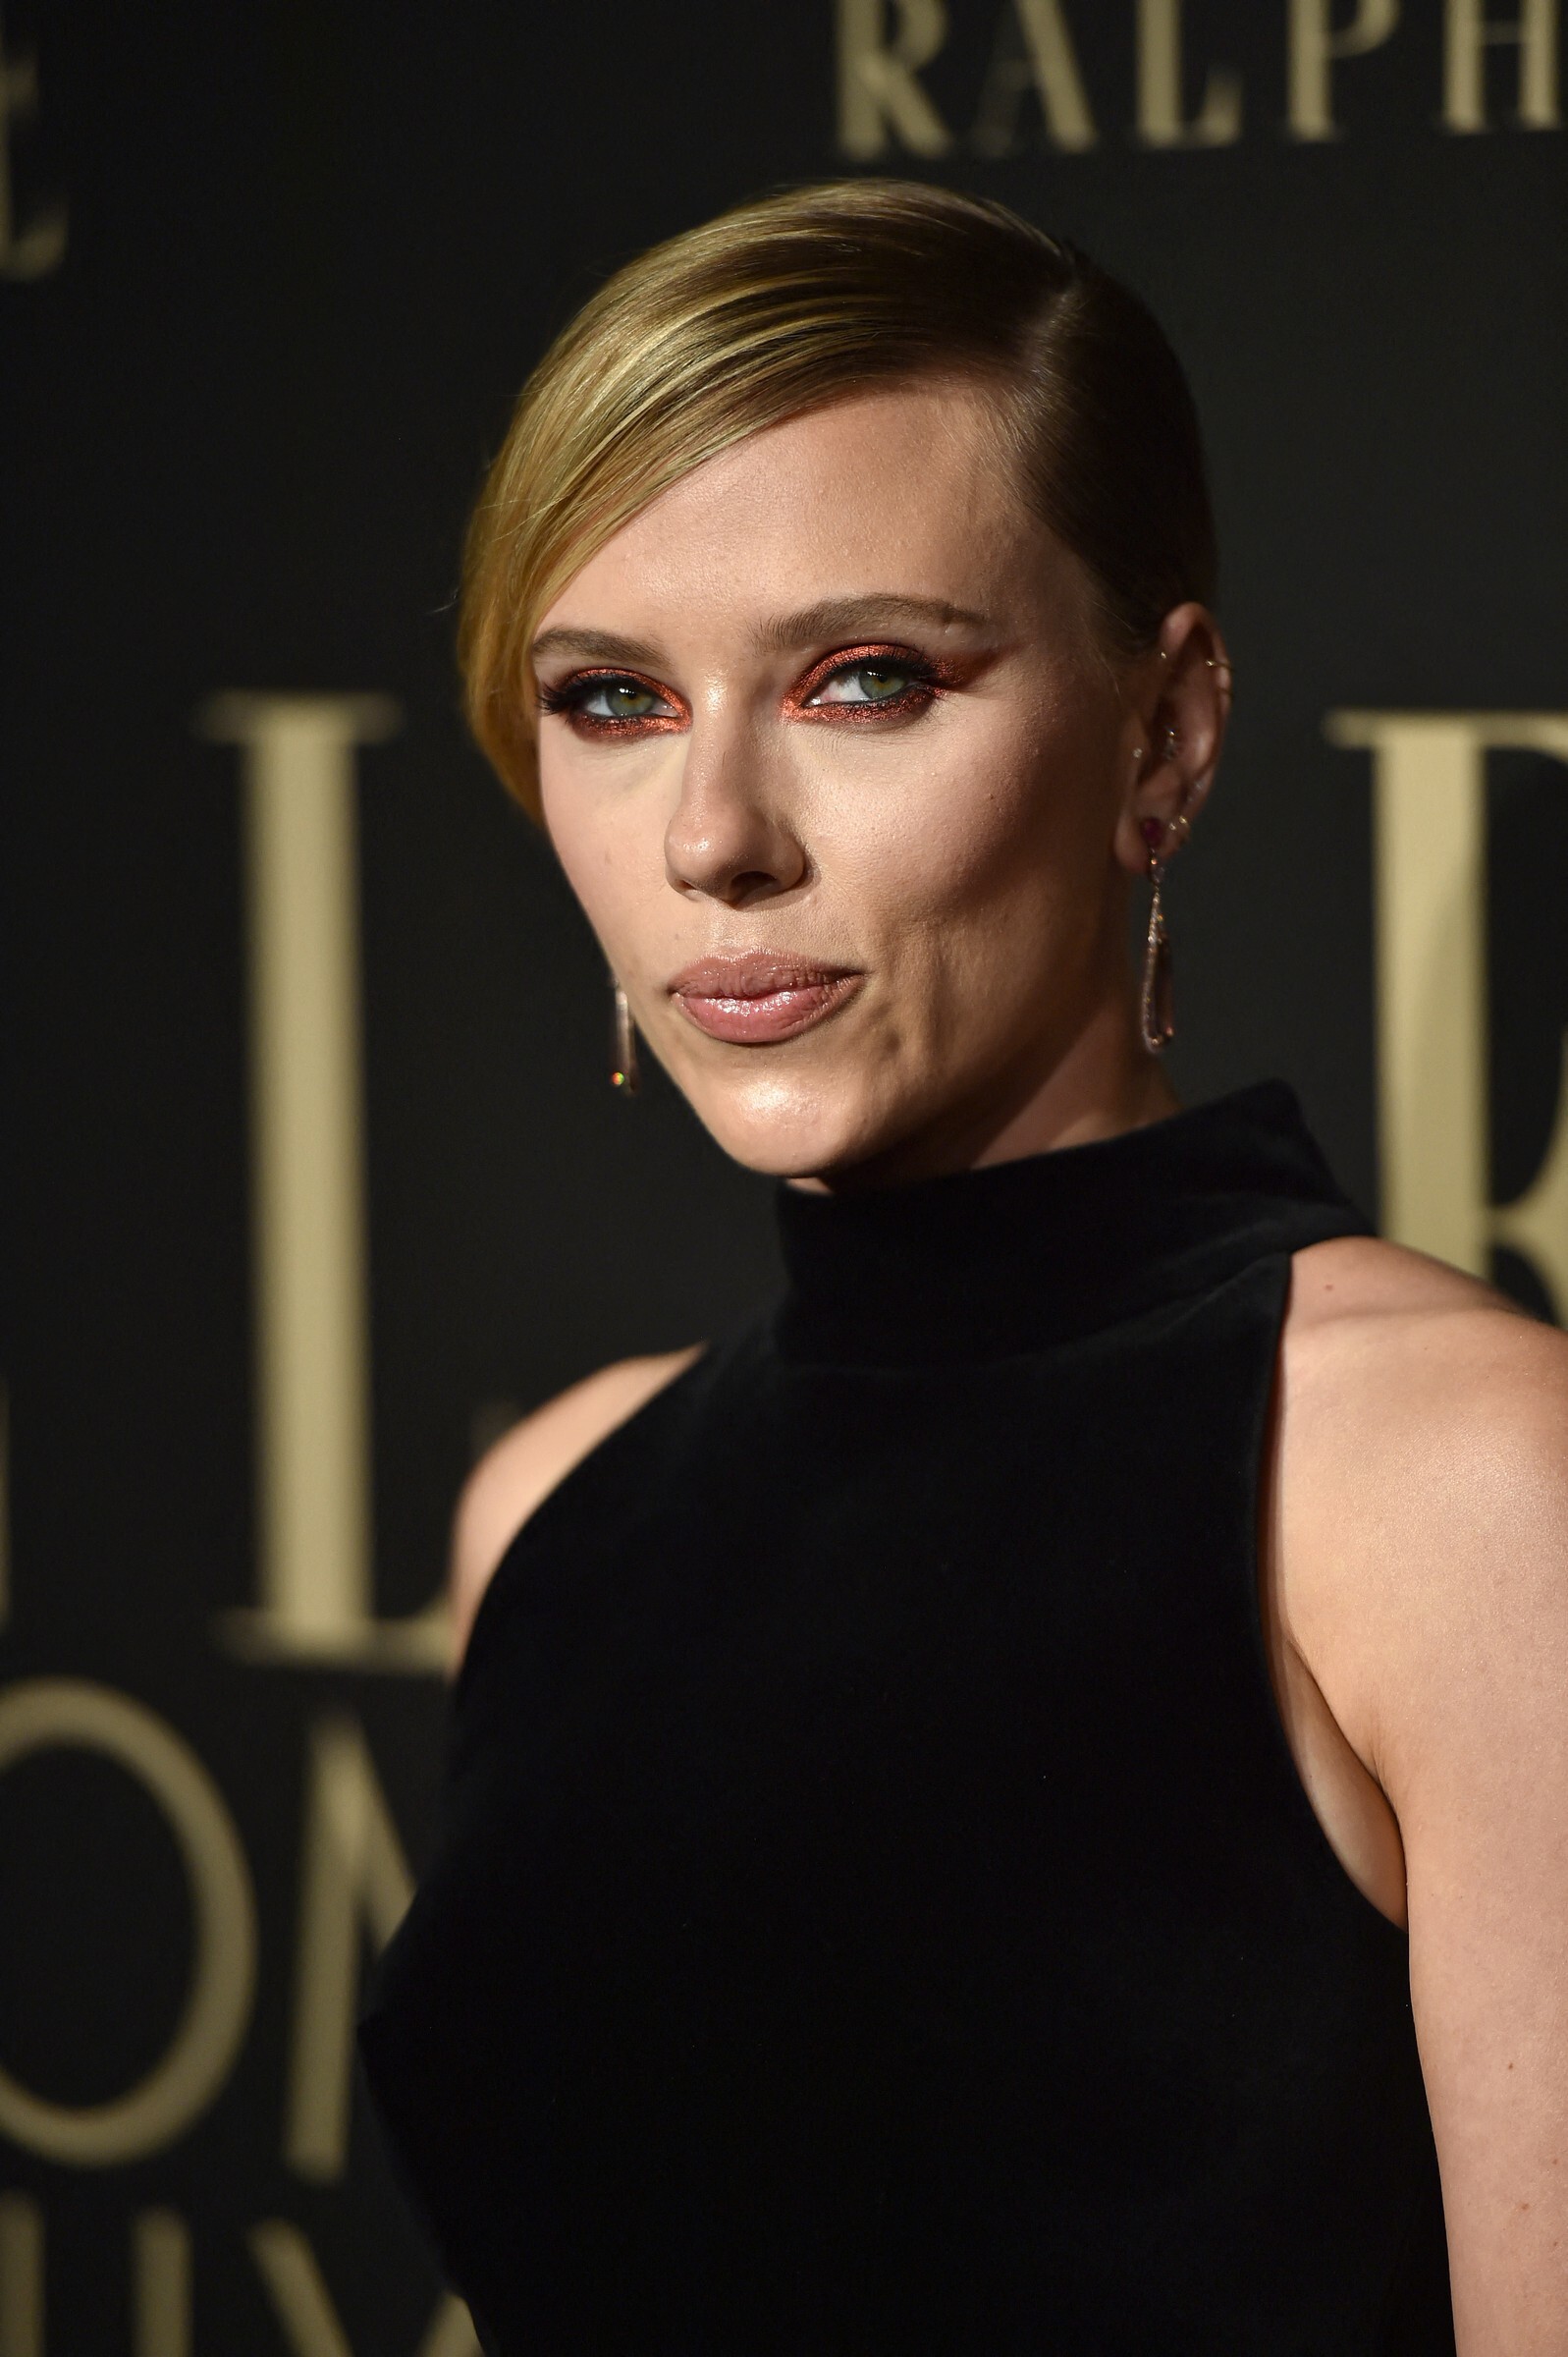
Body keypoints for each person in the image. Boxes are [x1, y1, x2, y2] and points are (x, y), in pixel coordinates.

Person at [357, 181, 1568, 2353]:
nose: (715, 839)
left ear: (1163, 734)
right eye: (613, 700)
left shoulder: (1451, 1484)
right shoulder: (549, 1511)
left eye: (866, 680)